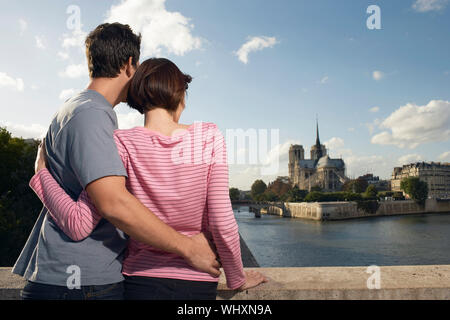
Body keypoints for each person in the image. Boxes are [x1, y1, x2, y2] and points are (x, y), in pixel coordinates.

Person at [13, 23, 221, 300]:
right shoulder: (93, 115)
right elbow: (113, 204)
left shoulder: (74, 108)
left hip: (65, 280)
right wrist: (188, 248)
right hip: (82, 283)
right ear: (130, 64)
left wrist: (41, 175)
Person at [30, 57, 267, 300]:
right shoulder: (208, 137)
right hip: (197, 279)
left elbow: (77, 223)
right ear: (180, 95)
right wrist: (236, 278)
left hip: (139, 281)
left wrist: (41, 173)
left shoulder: (120, 143)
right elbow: (222, 222)